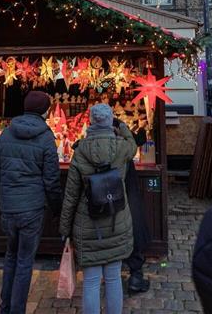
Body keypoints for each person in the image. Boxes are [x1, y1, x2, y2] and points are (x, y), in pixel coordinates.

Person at [0, 90, 62, 314]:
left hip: (9, 208)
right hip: (32, 208)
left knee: (11, 256)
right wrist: (57, 208)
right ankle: (17, 309)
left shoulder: (6, 134)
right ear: (45, 111)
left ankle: (5, 307)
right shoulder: (46, 137)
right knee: (24, 261)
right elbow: (51, 179)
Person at [60, 104, 137, 314]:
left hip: (88, 223)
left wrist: (65, 229)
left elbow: (71, 195)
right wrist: (123, 128)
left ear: (91, 122)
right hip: (116, 219)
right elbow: (133, 145)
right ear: (110, 121)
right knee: (113, 278)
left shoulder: (80, 150)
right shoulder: (122, 148)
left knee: (92, 281)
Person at [113, 117, 150, 295]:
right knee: (132, 228)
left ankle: (109, 275)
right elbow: (136, 142)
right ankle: (135, 274)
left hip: (102, 205)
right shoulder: (126, 149)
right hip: (127, 197)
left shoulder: (87, 148)